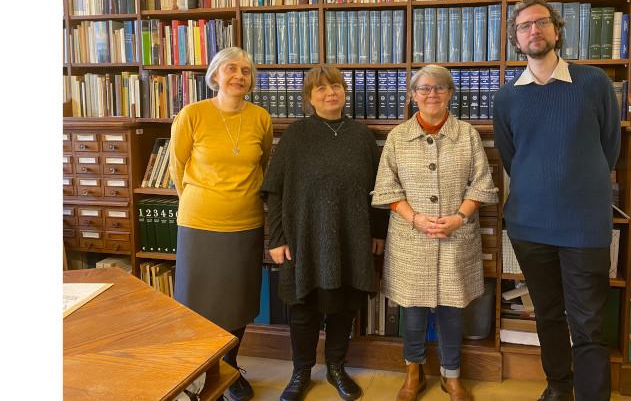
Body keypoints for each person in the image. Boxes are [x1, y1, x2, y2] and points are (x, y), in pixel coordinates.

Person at [493, 0, 621, 401]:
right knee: (547, 314)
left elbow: (609, 148)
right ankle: (558, 387)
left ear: (556, 30)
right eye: (524, 26)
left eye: (541, 23)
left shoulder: (594, 82)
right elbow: (512, 156)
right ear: (516, 39)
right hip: (530, 226)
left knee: (588, 321)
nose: (534, 31)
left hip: (584, 226)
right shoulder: (507, 96)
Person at [372, 65, 499, 401]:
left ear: (450, 94)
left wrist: (459, 217)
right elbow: (386, 188)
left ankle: (451, 375)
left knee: (452, 310)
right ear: (413, 95)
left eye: (440, 88)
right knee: (412, 312)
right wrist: (414, 218)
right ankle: (413, 372)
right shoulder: (398, 137)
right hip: (410, 239)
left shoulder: (468, 135)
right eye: (424, 88)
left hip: (457, 237)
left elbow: (483, 184)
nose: (432, 94)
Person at [262, 66, 388, 401]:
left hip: (352, 236)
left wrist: (378, 232)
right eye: (321, 89)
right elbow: (274, 191)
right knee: (303, 309)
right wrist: (276, 239)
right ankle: (300, 371)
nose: (330, 93)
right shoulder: (295, 136)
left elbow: (379, 191)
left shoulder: (362, 137)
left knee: (343, 306)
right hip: (303, 237)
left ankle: (336, 367)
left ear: (345, 92)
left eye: (336, 86)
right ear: (309, 98)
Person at [169, 46, 274, 401]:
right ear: (215, 75)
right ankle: (198, 373)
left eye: (246, 71)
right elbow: (177, 168)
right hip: (199, 222)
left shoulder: (261, 117)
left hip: (245, 222)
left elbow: (263, 164)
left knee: (238, 302)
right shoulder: (192, 114)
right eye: (232, 69)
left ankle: (229, 367)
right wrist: (201, 201)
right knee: (196, 301)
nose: (239, 76)